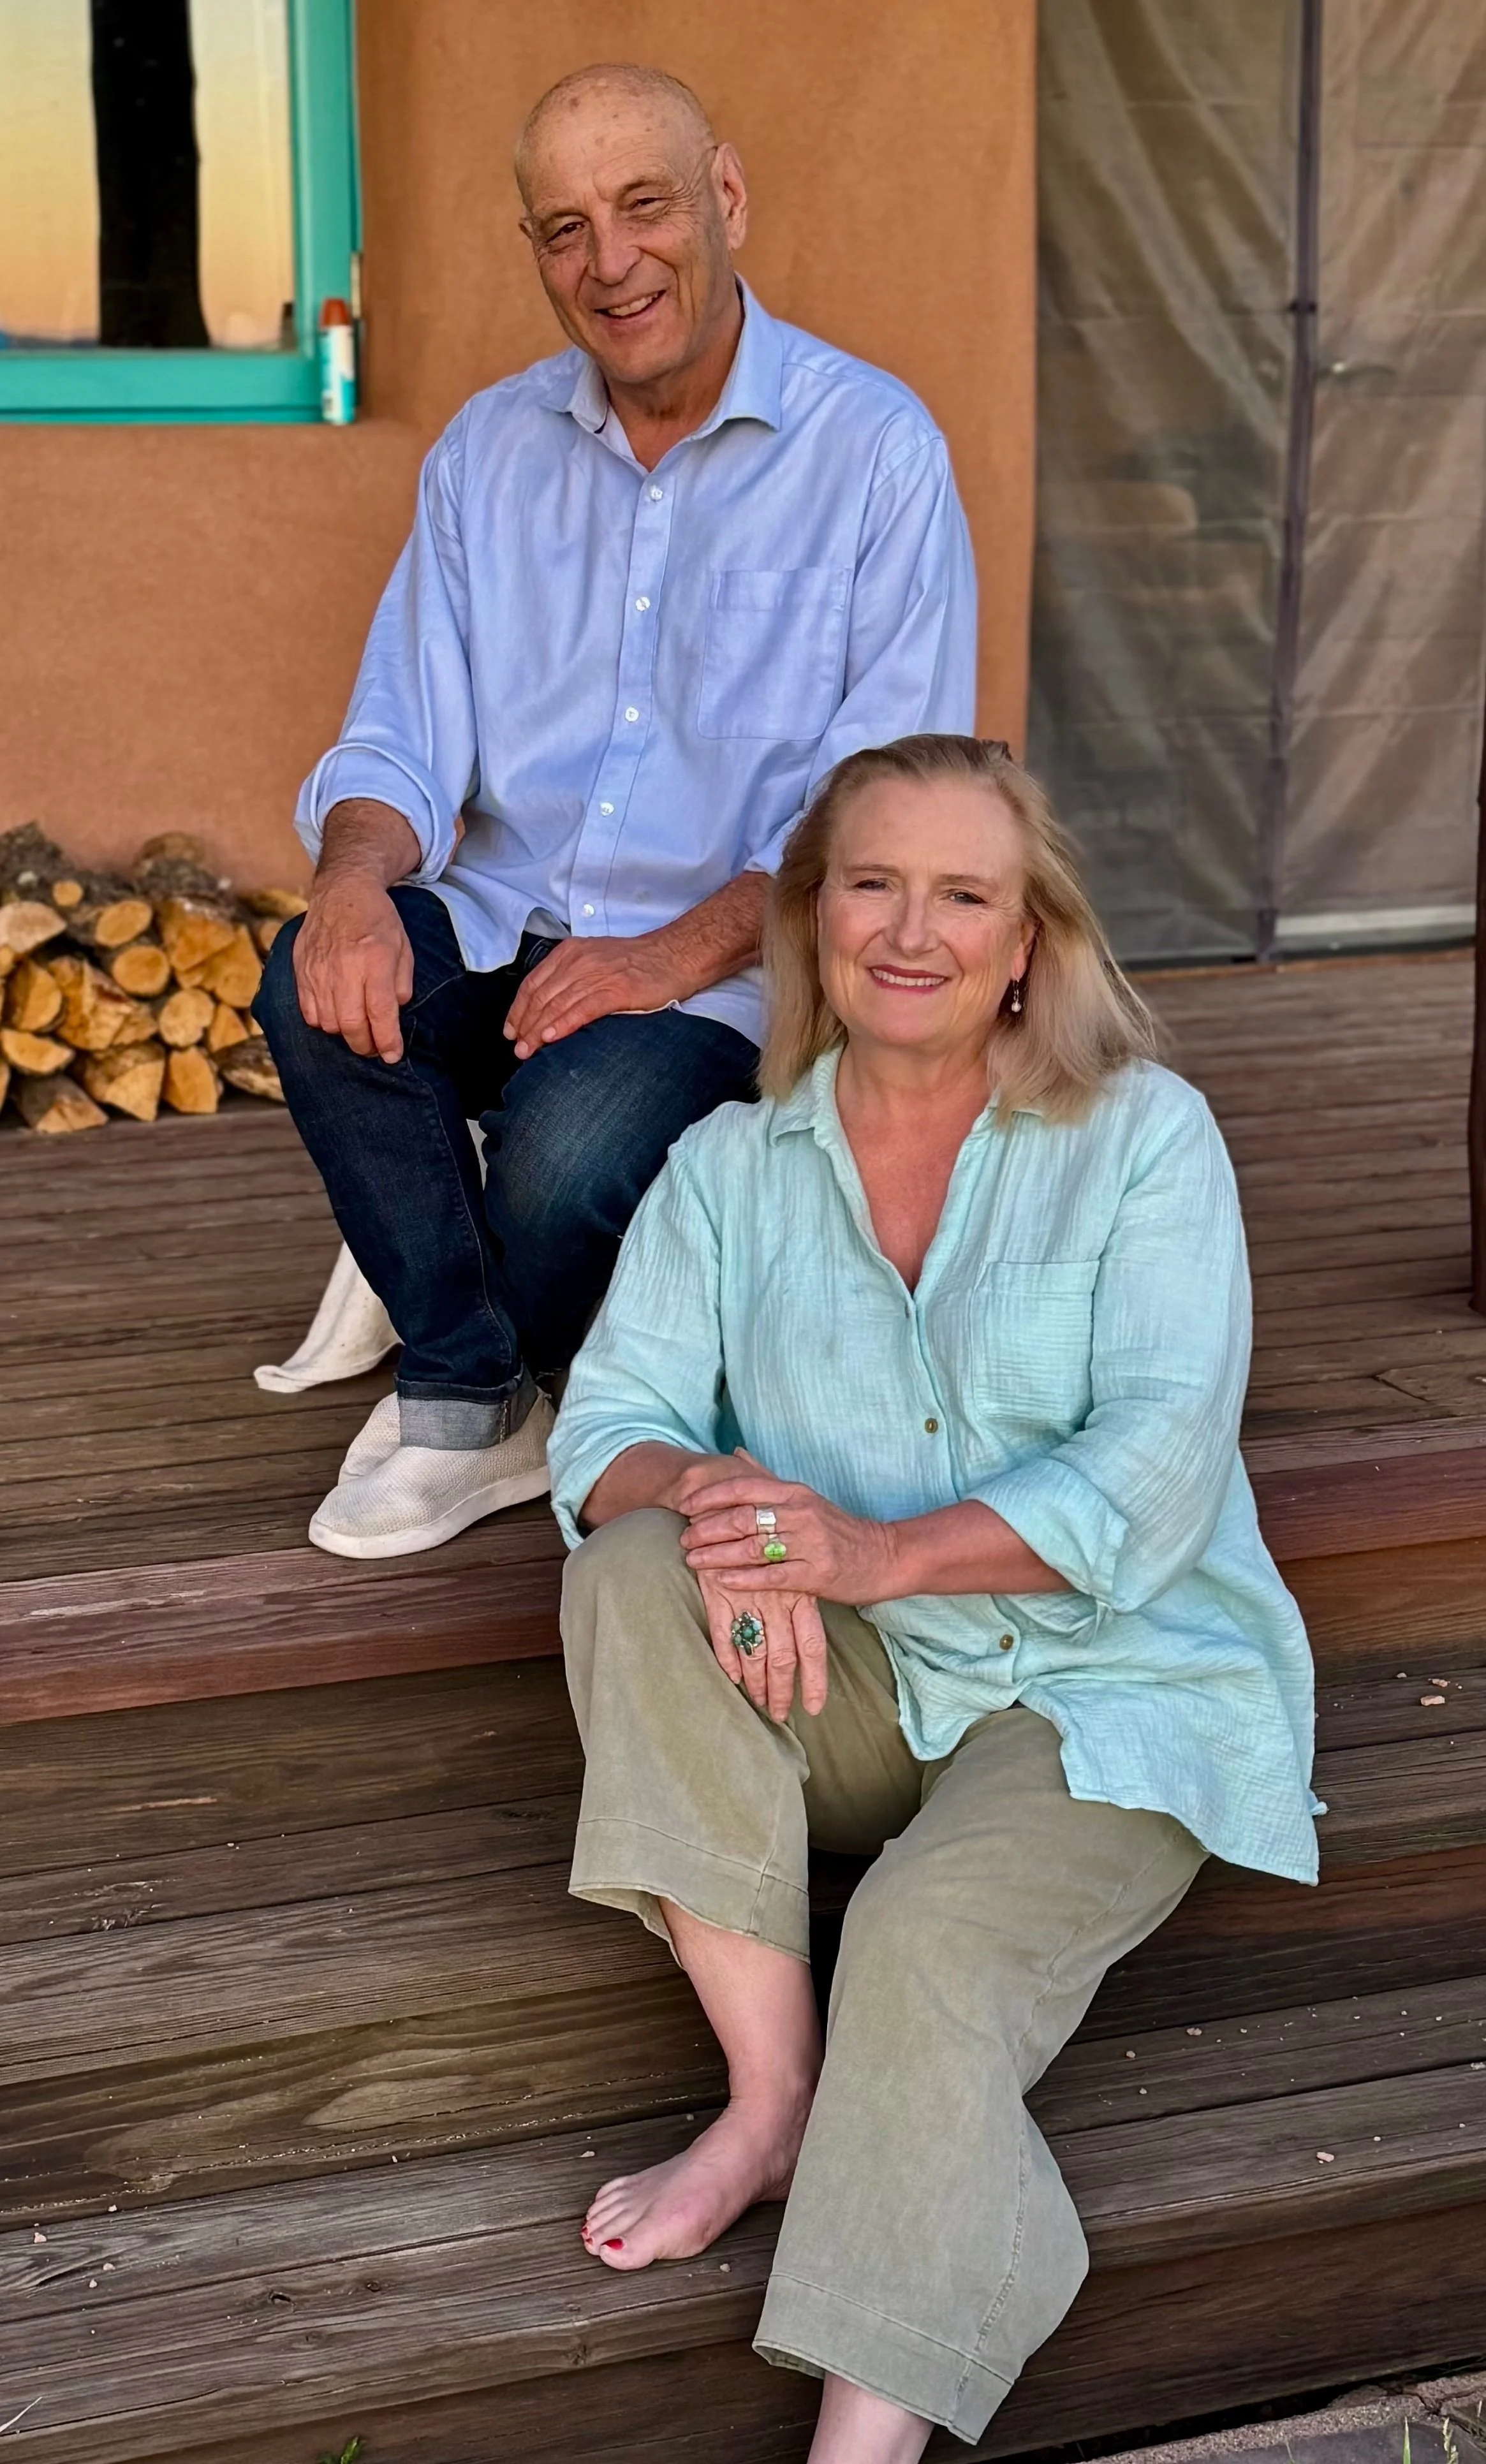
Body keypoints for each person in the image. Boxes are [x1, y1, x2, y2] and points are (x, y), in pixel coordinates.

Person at [547, 735, 1320, 2463]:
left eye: (962, 893)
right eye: (868, 885)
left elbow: (1156, 1465)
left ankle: (863, 2437)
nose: (911, 930)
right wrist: (719, 1496)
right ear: (813, 924)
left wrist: (881, 1550)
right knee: (630, 1568)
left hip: (1112, 1684)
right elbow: (607, 1432)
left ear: (1028, 938)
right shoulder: (731, 1174)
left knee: (915, 1940)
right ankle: (773, 2102)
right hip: (863, 1681)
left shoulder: (1141, 1141)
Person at [254, 61, 976, 1560]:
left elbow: (888, 806)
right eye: (564, 227)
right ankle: (472, 1391)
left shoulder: (875, 452)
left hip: (721, 970)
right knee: (315, 986)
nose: (609, 260)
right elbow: (399, 733)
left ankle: (425, 1245)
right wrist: (347, 884)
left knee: (569, 1160)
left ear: (723, 198)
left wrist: (662, 957)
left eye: (643, 205)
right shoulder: (487, 454)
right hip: (513, 915)